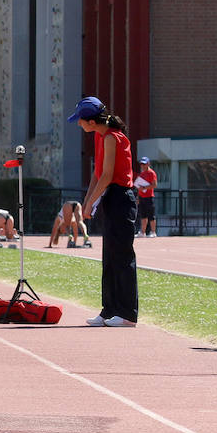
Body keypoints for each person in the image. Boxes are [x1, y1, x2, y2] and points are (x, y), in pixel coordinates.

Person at [72, 96, 139, 327]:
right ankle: (109, 310)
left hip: (121, 197)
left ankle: (128, 314)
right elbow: (98, 174)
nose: (79, 125)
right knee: (109, 258)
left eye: (80, 121)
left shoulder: (112, 137)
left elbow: (109, 175)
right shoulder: (101, 137)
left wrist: (92, 203)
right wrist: (87, 200)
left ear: (91, 121)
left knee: (122, 257)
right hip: (110, 197)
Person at [135, 156, 159, 237]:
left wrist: (145, 187)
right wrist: (138, 197)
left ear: (148, 164)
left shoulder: (151, 173)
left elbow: (154, 185)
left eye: (144, 164)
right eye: (141, 164)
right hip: (142, 197)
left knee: (151, 215)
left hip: (149, 197)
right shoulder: (141, 174)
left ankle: (153, 232)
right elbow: (139, 187)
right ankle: (143, 232)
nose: (142, 165)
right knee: (143, 215)